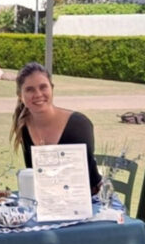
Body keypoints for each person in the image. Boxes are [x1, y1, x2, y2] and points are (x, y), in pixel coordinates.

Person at [10, 62, 102, 194]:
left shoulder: (79, 125)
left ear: (52, 89)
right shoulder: (24, 126)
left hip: (89, 201)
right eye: (29, 89)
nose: (38, 94)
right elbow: (36, 177)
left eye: (43, 87)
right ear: (20, 95)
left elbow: (86, 178)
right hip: (48, 203)